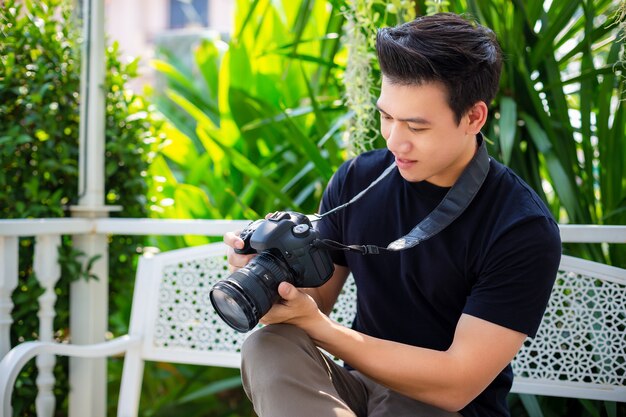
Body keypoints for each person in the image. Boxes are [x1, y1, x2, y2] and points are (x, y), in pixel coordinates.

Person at [224, 12, 562, 417]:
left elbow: (456, 383)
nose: (394, 141)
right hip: (358, 389)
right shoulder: (357, 179)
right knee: (267, 346)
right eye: (387, 116)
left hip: (439, 404)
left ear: (474, 117)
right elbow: (318, 300)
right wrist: (272, 280)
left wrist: (319, 327)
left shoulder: (520, 227)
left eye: (416, 127)